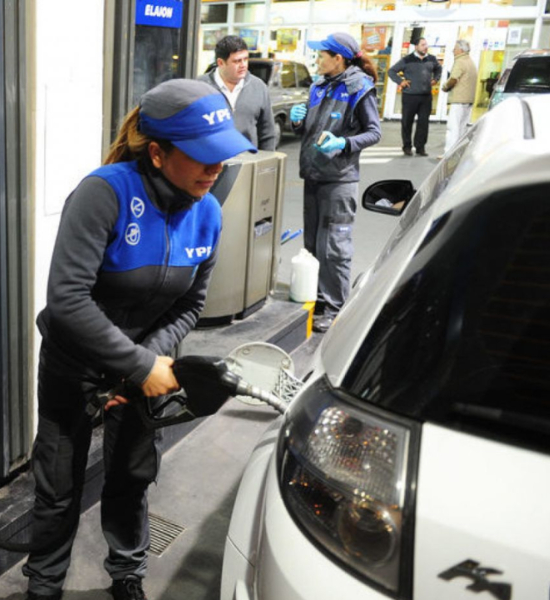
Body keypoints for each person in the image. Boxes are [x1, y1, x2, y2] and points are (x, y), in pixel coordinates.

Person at [22, 79, 255, 600]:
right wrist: (139, 365)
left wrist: (145, 364)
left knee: (131, 476)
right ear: (157, 153)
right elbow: (67, 299)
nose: (216, 168)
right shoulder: (104, 194)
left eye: (221, 155)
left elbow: (189, 305)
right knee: (58, 486)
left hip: (146, 365)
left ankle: (127, 575)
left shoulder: (208, 212)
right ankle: (44, 586)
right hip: (75, 362)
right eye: (202, 156)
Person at [289, 32, 381, 333]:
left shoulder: (359, 88)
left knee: (334, 248)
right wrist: (298, 121)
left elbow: (374, 132)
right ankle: (317, 299)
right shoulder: (318, 85)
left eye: (322, 55)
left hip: (339, 179)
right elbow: (310, 128)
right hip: (313, 174)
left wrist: (344, 143)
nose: (317, 59)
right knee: (313, 244)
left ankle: (335, 307)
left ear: (338, 58)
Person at [199, 35, 276, 150]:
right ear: (220, 63)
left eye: (245, 59)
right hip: (210, 158)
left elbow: (267, 133)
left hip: (248, 158)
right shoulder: (200, 87)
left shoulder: (259, 87)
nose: (243, 65)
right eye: (237, 61)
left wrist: (267, 159)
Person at [387, 37, 442, 156]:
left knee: (423, 123)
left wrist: (435, 79)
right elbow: (391, 71)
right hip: (410, 96)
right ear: (416, 46)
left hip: (426, 97)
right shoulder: (407, 60)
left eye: (426, 45)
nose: (425, 47)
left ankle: (420, 147)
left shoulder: (431, 59)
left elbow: (439, 69)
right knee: (407, 122)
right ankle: (407, 146)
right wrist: (401, 82)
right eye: (423, 45)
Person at [440, 39, 477, 158]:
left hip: (459, 99)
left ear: (461, 50)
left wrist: (445, 87)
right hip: (468, 99)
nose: (453, 51)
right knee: (462, 128)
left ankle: (448, 154)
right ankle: (459, 153)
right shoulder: (470, 61)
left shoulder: (460, 62)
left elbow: (453, 79)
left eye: (455, 49)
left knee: (453, 128)